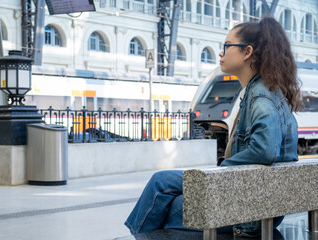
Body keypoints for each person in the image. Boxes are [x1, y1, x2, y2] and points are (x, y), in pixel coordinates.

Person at [124, 17, 301, 238]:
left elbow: (265, 150)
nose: (221, 53)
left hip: (250, 211)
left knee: (166, 200)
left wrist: (223, 169)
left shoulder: (261, 96)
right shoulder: (264, 92)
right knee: (162, 184)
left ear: (247, 52)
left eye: (227, 46)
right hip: (258, 199)